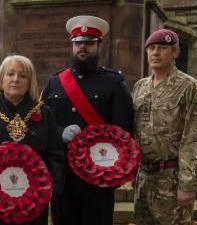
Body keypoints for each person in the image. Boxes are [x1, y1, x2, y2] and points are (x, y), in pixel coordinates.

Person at [42, 15, 134, 225]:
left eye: (89, 43)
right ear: (72, 45)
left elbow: (124, 131)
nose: (83, 47)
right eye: (78, 43)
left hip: (98, 176)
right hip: (63, 176)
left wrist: (115, 173)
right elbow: (42, 124)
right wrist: (59, 132)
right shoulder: (55, 82)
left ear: (98, 45)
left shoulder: (114, 82)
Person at [0, 54, 65, 225]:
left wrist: (51, 185)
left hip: (32, 204)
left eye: (23, 76)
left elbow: (56, 156)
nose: (16, 79)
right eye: (10, 74)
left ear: (30, 81)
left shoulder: (43, 113)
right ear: (1, 79)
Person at [132, 28, 197, 225]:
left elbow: (195, 137)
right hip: (144, 177)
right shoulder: (140, 87)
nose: (155, 53)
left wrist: (188, 183)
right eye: (151, 48)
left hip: (172, 179)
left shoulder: (190, 87)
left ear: (175, 52)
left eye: (163, 48)